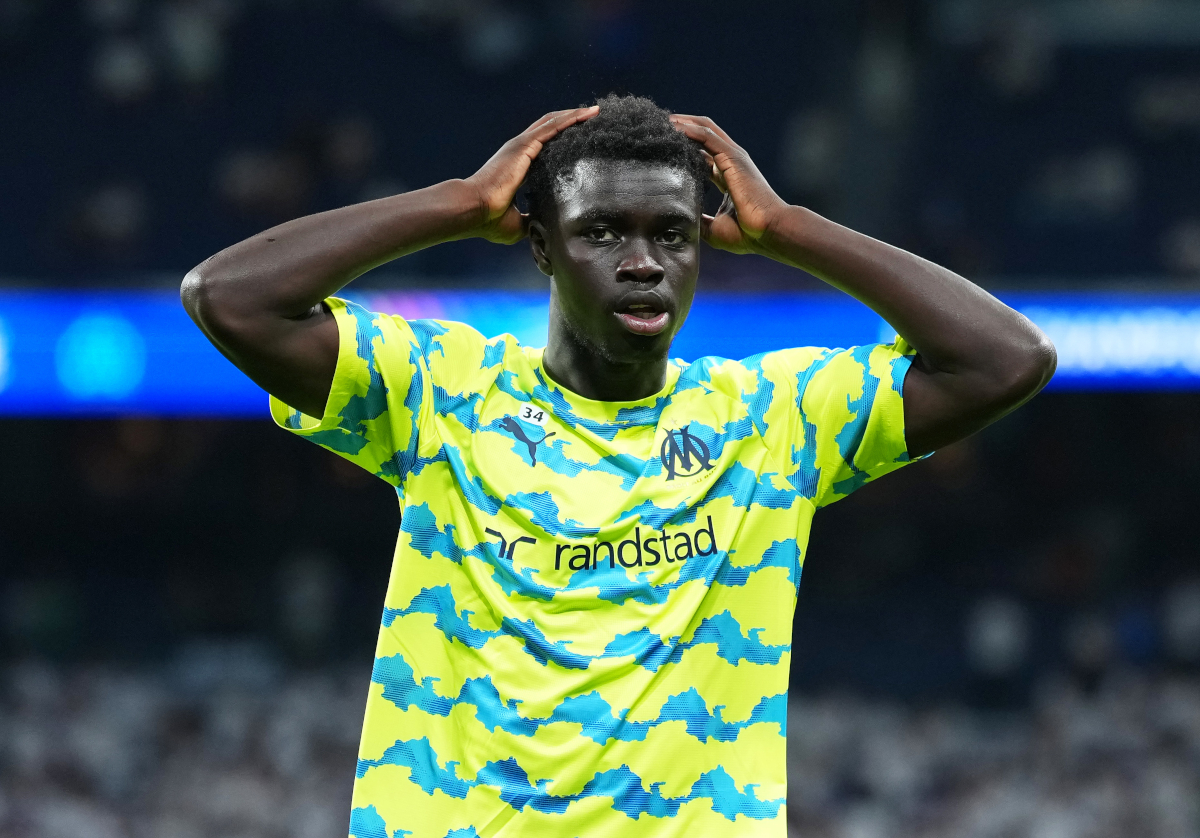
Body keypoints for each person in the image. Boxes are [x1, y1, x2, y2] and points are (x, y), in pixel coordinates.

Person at [181, 95, 1055, 837]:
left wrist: (788, 229)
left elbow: (1006, 359)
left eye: (673, 235)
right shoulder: (440, 392)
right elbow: (230, 298)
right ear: (539, 246)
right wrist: (457, 201)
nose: (643, 263)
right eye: (601, 231)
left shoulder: (774, 419)